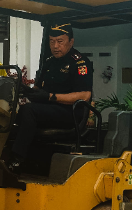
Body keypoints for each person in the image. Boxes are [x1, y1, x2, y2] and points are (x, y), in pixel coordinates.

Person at [7, 23, 93, 171]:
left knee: (29, 111)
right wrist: (27, 91)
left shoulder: (80, 63)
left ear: (71, 42)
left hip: (70, 113)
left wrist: (51, 97)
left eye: (60, 41)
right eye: (52, 41)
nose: (55, 46)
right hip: (49, 110)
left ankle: (16, 160)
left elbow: (85, 96)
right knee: (12, 112)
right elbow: (38, 89)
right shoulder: (49, 63)